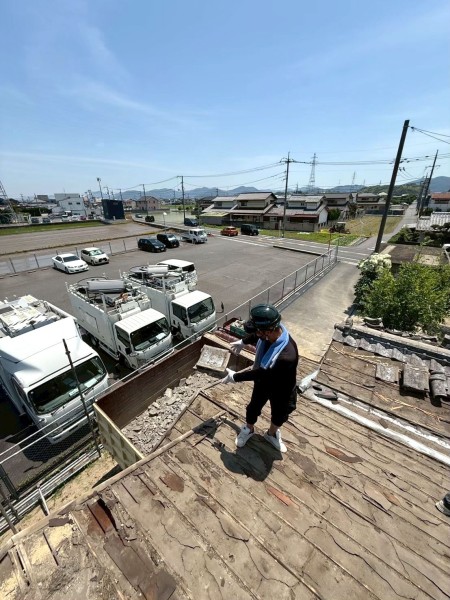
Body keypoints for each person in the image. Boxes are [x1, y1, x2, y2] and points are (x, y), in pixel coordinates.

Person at [221, 304, 298, 453]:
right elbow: (257, 335)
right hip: (263, 383)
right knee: (253, 408)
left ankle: (271, 434)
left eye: (259, 332)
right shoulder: (273, 331)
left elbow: (261, 373)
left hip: (282, 387)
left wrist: (235, 377)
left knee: (279, 414)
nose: (257, 334)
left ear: (268, 331)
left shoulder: (286, 355)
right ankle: (249, 429)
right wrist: (243, 342)